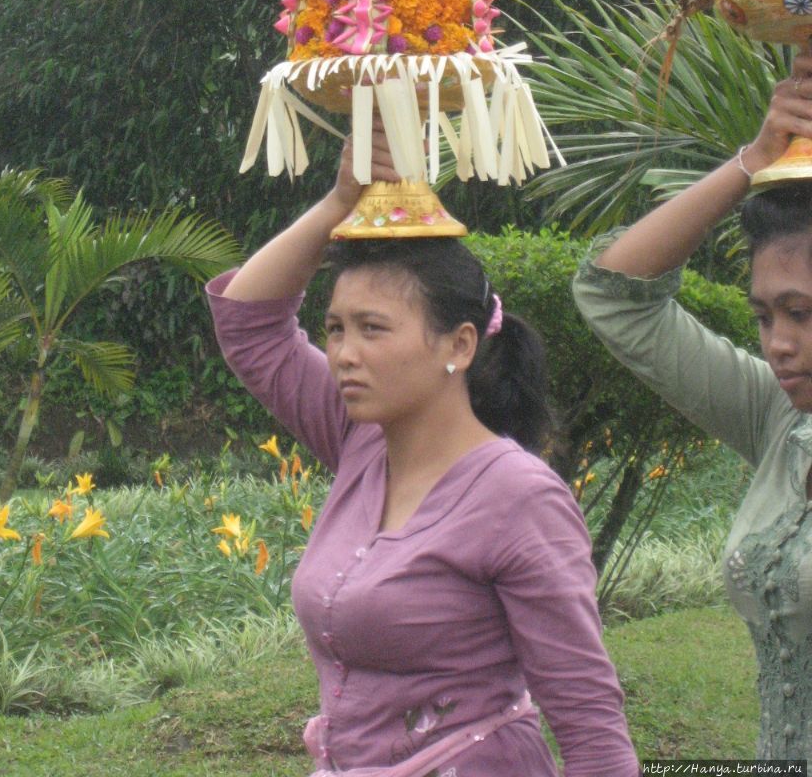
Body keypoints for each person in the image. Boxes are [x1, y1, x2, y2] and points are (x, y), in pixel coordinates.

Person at [206, 126, 639, 777]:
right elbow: (249, 324)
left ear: (459, 345)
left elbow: (592, 731)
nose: (344, 354)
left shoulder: (518, 497)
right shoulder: (362, 441)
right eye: (336, 329)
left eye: (373, 329)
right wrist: (339, 203)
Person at [572, 55, 812, 763]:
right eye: (765, 316)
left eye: (801, 313)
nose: (779, 344)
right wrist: (753, 160)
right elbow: (614, 294)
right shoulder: (778, 418)